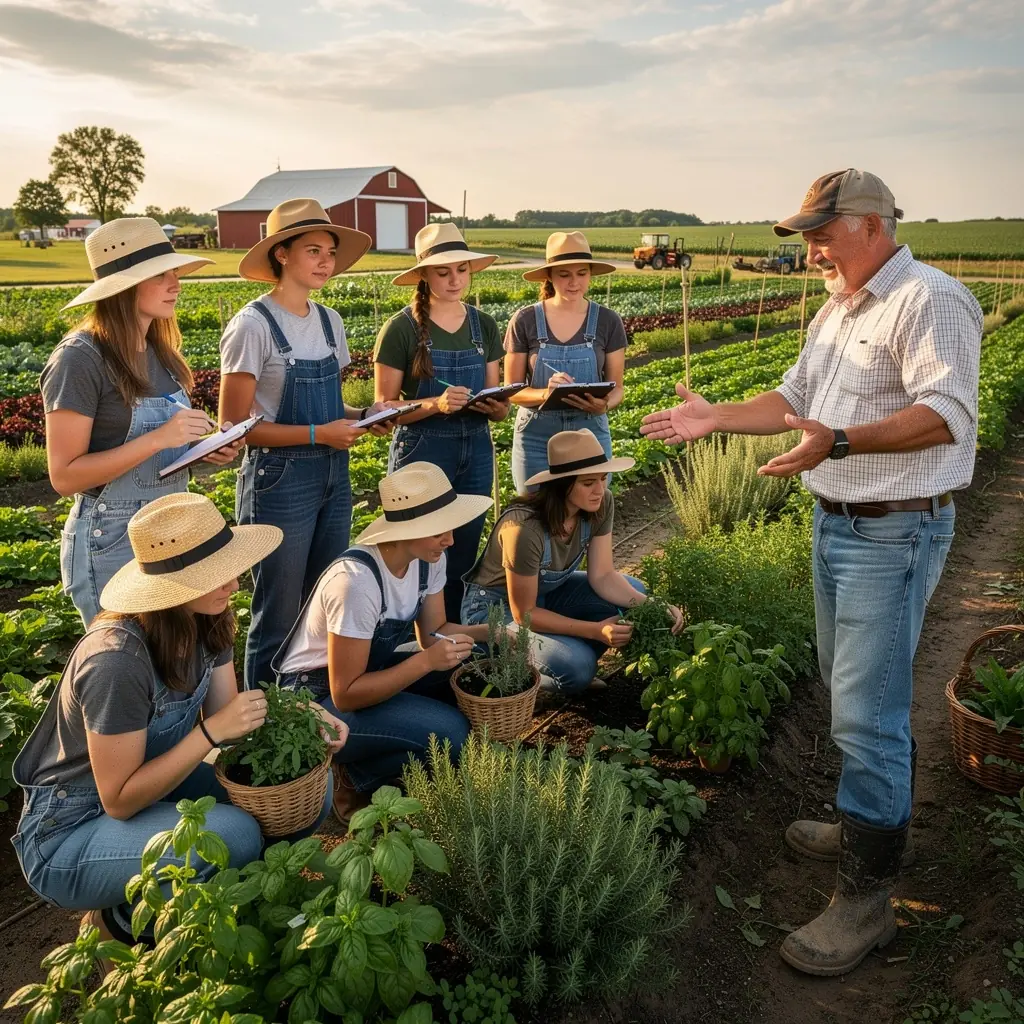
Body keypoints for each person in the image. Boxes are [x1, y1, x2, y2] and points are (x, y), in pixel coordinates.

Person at [641, 169, 982, 976]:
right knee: (848, 689)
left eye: (823, 235)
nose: (813, 250)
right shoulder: (839, 306)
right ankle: (863, 823)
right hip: (839, 525)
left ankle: (868, 902)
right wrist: (718, 417)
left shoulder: (928, 299)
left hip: (892, 532)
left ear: (872, 225)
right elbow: (795, 397)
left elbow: (947, 414)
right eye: (808, 238)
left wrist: (843, 441)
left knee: (869, 714)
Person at [10, 492, 347, 945]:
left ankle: (241, 898)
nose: (235, 583)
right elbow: (119, 800)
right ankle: (118, 923)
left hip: (157, 787)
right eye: (218, 573)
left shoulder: (207, 618)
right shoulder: (117, 660)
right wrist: (208, 733)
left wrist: (300, 716)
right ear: (177, 585)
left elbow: (228, 718)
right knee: (234, 836)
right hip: (71, 830)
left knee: (312, 788)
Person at [218, 199, 390, 690]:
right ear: (281, 254)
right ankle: (262, 719)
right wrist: (320, 434)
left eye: (330, 253)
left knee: (323, 599)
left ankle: (307, 705)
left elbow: (331, 408)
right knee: (277, 612)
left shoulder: (330, 321)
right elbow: (235, 426)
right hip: (279, 481)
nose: (325, 262)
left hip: (334, 473)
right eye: (313, 251)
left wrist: (365, 416)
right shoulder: (253, 324)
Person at [43, 217, 241, 627]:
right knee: (127, 655)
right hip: (114, 538)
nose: (176, 284)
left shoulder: (160, 352)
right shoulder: (80, 359)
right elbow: (64, 476)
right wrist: (158, 439)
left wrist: (203, 450)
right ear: (123, 287)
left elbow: (159, 452)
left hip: (173, 532)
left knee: (173, 656)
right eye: (160, 275)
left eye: (175, 273)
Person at [275, 461, 494, 822]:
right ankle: (353, 777)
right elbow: (345, 694)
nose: (450, 539)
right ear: (407, 529)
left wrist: (493, 632)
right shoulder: (357, 583)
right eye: (439, 530)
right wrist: (426, 662)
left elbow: (434, 631)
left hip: (366, 673)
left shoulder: (428, 559)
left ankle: (382, 754)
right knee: (452, 735)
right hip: (316, 700)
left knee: (477, 659)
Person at [462, 429, 683, 694]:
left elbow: (603, 575)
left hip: (546, 594)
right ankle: (530, 677)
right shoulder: (524, 529)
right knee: (578, 668)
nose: (599, 490)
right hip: (496, 609)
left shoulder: (601, 504)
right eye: (588, 483)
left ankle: (563, 658)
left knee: (635, 592)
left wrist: (654, 604)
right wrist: (596, 630)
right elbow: (525, 614)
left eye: (603, 478)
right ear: (562, 485)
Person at [375, 223, 508, 622]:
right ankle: (405, 636)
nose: (455, 280)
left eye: (462, 270)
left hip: (476, 446)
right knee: (415, 546)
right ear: (424, 275)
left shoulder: (484, 325)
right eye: (443, 271)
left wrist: (495, 406)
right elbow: (384, 407)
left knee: (462, 547)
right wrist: (435, 404)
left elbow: (499, 403)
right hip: (423, 448)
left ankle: (451, 634)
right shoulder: (401, 328)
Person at [505, 231, 627, 494]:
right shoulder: (525, 320)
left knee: (588, 509)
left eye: (582, 273)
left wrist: (604, 404)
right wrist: (545, 393)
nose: (574, 282)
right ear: (550, 276)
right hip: (536, 436)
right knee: (534, 510)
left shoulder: (608, 321)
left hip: (590, 431)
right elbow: (512, 390)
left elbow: (617, 387)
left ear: (590, 274)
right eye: (564, 274)